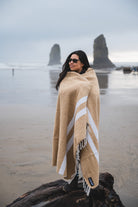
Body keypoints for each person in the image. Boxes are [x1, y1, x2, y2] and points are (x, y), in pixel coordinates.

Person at [52, 50, 100, 198]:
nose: (70, 63)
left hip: (86, 122)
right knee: (71, 146)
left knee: (85, 150)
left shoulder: (90, 78)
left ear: (83, 62)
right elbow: (64, 102)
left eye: (74, 60)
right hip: (71, 119)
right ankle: (73, 180)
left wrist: (83, 119)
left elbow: (94, 99)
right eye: (69, 60)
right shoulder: (67, 79)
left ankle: (90, 183)